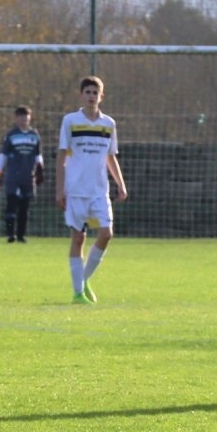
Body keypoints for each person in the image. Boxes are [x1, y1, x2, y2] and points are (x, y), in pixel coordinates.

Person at [55, 75, 128, 304]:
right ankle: (78, 294)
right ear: (81, 95)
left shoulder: (108, 124)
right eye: (87, 92)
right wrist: (59, 189)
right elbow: (61, 157)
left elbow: (110, 157)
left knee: (106, 233)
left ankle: (82, 280)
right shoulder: (70, 121)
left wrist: (120, 184)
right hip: (75, 189)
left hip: (99, 190)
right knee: (78, 238)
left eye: (95, 93)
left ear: (101, 96)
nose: (91, 96)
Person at [0, 105, 44, 243]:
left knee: (24, 207)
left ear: (30, 117)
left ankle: (21, 235)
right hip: (13, 177)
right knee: (11, 205)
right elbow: (3, 155)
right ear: (16, 118)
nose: (23, 119)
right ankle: (10, 234)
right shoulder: (11, 135)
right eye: (20, 116)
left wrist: (40, 169)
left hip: (28, 176)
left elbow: (38, 154)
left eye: (26, 116)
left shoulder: (34, 135)